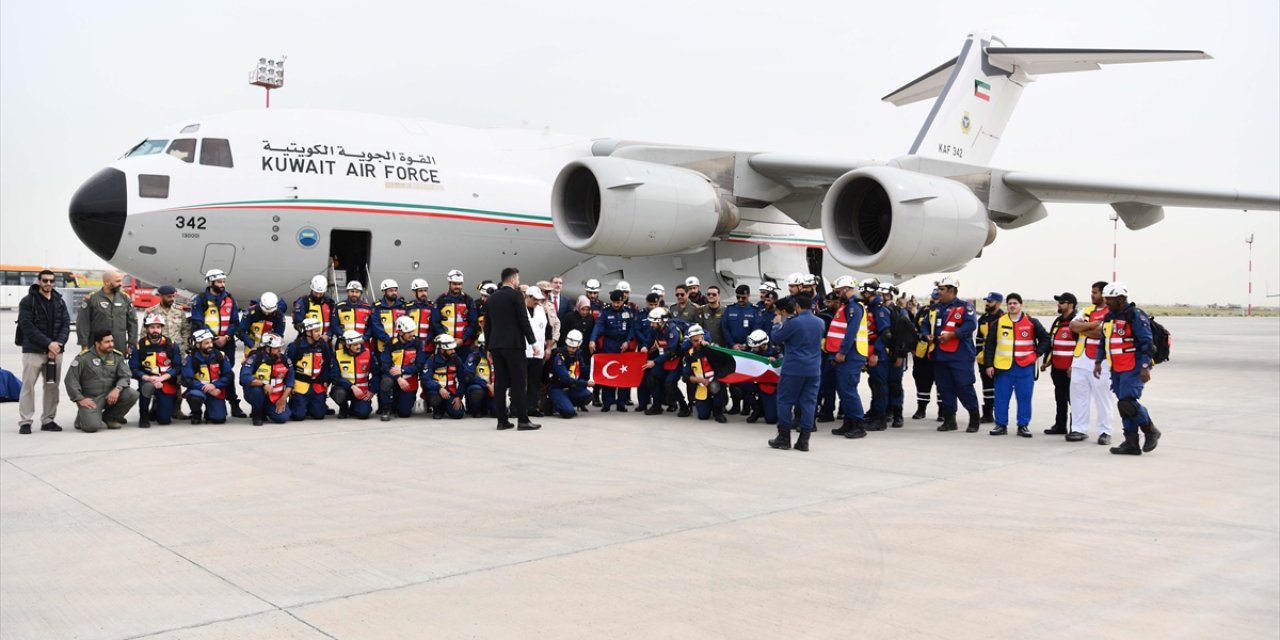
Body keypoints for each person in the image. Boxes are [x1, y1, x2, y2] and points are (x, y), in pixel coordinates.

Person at [1094, 283, 1160, 456]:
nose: (1106, 302)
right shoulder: (1109, 317)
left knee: (1127, 402)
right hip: (1116, 367)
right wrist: (1098, 361)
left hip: (1134, 366)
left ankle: (1150, 430)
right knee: (1124, 404)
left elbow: (1147, 343)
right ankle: (1131, 443)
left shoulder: (1135, 315)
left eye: (1109, 299)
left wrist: (1145, 367)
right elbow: (1104, 341)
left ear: (1121, 299)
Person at [982, 293, 1050, 437]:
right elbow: (990, 345)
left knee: (1024, 397)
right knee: (1001, 397)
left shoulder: (1031, 322)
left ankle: (1023, 425)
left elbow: (1046, 339)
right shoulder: (999, 322)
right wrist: (988, 365)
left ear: (1021, 305)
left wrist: (1036, 354)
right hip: (1003, 367)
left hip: (1024, 367)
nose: (1012, 306)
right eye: (1010, 303)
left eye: (1015, 303)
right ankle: (1001, 425)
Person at [484, 267, 540, 431]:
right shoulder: (516, 295)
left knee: (500, 383)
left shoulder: (492, 298)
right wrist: (533, 342)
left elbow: (487, 326)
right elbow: (524, 320)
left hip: (496, 345)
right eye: (518, 279)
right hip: (514, 345)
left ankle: (502, 420)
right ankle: (523, 420)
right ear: (513, 280)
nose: (518, 282)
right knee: (518, 382)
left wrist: (488, 347)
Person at [768, 294, 824, 452]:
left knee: (785, 401)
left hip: (794, 368)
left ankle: (784, 437)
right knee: (809, 402)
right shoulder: (820, 322)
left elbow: (776, 338)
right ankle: (804, 440)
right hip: (813, 369)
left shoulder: (794, 323)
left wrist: (777, 325)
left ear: (798, 306)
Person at [16, 269, 70, 434]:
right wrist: (49, 344)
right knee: (28, 386)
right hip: (33, 351)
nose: (48, 284)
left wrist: (58, 344)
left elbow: (66, 324)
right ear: (39, 281)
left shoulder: (59, 301)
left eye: (51, 281)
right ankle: (25, 421)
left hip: (56, 352)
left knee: (52, 387)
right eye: (45, 281)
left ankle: (48, 420)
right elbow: (27, 326)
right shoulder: (28, 301)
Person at [190, 269, 246, 418]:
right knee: (204, 373)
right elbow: (198, 321)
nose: (222, 285)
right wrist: (213, 339)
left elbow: (235, 321)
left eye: (223, 282)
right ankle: (198, 404)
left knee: (227, 373)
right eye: (219, 282)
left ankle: (234, 404)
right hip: (207, 343)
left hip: (227, 343)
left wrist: (226, 337)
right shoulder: (200, 300)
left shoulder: (229, 299)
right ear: (210, 282)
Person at [930, 276, 982, 433]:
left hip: (960, 356)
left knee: (964, 386)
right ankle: (949, 420)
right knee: (944, 388)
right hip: (940, 356)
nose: (939, 292)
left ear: (952, 290)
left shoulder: (965, 307)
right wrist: (927, 334)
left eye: (942, 289)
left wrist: (952, 335)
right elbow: (926, 324)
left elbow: (971, 325)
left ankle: (974, 418)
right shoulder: (936, 308)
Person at [65, 329, 138, 433]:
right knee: (92, 427)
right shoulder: (83, 358)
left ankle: (110, 417)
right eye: (107, 342)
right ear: (97, 343)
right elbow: (70, 380)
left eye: (112, 341)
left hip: (111, 395)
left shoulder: (116, 356)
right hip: (92, 398)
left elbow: (126, 375)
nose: (111, 344)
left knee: (132, 394)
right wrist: (80, 399)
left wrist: (117, 389)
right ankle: (82, 418)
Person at [1069, 281, 1115, 444]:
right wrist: (1093, 325)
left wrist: (1085, 329)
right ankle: (1079, 429)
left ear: (1104, 294)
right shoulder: (1087, 310)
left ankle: (1105, 431)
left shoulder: (1112, 312)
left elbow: (1102, 333)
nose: (1092, 295)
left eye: (1095, 292)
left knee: (1103, 397)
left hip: (1101, 362)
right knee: (1078, 396)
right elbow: (1073, 325)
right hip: (1080, 360)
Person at [826, 276, 871, 439]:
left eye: (839, 291)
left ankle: (858, 424)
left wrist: (842, 352)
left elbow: (851, 332)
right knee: (843, 390)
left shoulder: (854, 307)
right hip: (846, 354)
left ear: (846, 289)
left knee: (849, 390)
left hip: (851, 354)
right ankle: (849, 422)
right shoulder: (846, 306)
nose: (837, 295)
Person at [589, 290, 638, 412]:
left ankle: (621, 402)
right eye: (614, 302)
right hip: (610, 344)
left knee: (623, 374)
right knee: (609, 373)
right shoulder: (605, 312)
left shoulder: (628, 311)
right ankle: (607, 402)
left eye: (618, 302)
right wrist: (592, 340)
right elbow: (598, 326)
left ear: (623, 300)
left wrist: (627, 341)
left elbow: (632, 328)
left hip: (624, 345)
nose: (616, 304)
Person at [130, 313, 182, 428]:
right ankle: (143, 416)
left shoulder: (172, 345)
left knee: (164, 420)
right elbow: (133, 368)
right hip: (147, 380)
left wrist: (162, 378)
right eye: (152, 327)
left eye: (158, 327)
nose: (155, 330)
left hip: (166, 381)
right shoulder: (139, 346)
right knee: (147, 387)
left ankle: (156, 406)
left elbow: (178, 367)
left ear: (162, 328)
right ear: (147, 328)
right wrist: (149, 378)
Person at [1042, 292, 1079, 436]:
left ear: (1071, 305)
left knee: (1073, 400)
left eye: (1062, 302)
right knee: (1060, 398)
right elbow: (1052, 344)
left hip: (1071, 369)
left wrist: (1074, 366)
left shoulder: (1076, 322)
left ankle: (1075, 427)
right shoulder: (1057, 322)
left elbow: (1080, 346)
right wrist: (1046, 362)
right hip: (1057, 368)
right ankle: (1060, 425)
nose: (1059, 305)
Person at [77, 270, 137, 357]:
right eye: (117, 281)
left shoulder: (125, 298)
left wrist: (131, 344)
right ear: (107, 282)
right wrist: (84, 345)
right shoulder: (92, 298)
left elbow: (132, 322)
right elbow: (83, 323)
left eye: (121, 280)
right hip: (97, 348)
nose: (121, 284)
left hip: (119, 347)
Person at [721, 284, 761, 415]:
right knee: (733, 379)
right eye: (738, 297)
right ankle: (736, 405)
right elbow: (725, 328)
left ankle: (746, 406)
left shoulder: (754, 310)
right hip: (733, 350)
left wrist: (747, 344)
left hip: (747, 350)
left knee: (746, 380)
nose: (740, 300)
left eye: (743, 297)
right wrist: (733, 345)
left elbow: (756, 329)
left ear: (748, 296)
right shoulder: (730, 309)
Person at [859, 280, 892, 431]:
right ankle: (874, 414)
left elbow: (886, 333)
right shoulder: (870, 308)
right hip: (872, 352)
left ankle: (880, 419)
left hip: (879, 355)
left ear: (867, 292)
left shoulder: (879, 310)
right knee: (874, 384)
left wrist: (876, 354)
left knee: (880, 386)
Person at [240, 333, 294, 425]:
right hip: (257, 394)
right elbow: (244, 377)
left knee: (282, 418)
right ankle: (257, 415)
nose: (280, 350)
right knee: (257, 391)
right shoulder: (255, 358)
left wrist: (283, 399)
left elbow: (290, 381)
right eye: (277, 348)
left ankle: (266, 409)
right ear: (267, 348)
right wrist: (263, 384)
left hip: (276, 397)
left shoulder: (285, 360)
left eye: (280, 347)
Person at [642, 308, 688, 415]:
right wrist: (644, 347)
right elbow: (649, 339)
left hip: (675, 360)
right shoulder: (656, 329)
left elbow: (671, 352)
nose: (651, 325)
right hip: (663, 360)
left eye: (653, 322)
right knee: (651, 379)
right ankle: (657, 405)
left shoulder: (672, 331)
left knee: (669, 383)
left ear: (660, 321)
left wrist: (654, 362)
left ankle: (683, 405)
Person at [287, 317, 335, 421]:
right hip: (300, 385)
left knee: (319, 415)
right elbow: (289, 368)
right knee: (298, 416)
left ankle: (310, 405)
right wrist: (290, 386)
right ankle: (296, 403)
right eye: (316, 331)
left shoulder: (323, 345)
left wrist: (326, 380)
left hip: (317, 385)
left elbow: (327, 364)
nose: (319, 333)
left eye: (319, 330)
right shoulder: (295, 346)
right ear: (308, 332)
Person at [183, 329, 234, 424]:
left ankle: (210, 412)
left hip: (216, 390)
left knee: (219, 419)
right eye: (206, 343)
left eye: (211, 342)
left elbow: (228, 375)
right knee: (195, 397)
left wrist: (216, 385)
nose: (210, 345)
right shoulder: (190, 358)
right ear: (198, 345)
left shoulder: (220, 356)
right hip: (198, 390)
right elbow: (187, 379)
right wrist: (206, 388)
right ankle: (196, 413)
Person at [379, 315, 424, 421]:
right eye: (408, 332)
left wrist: (404, 370)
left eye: (412, 331)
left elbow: (420, 365)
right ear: (400, 332)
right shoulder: (390, 344)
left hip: (408, 382)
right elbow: (385, 365)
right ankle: (386, 408)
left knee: (404, 413)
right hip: (394, 379)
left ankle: (404, 403)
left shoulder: (418, 343)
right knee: (386, 382)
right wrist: (398, 378)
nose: (411, 334)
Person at [882, 282, 913, 428]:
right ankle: (885, 411)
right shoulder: (877, 310)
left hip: (895, 354)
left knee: (895, 385)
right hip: (882, 354)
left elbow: (905, 335)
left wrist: (900, 355)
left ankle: (897, 414)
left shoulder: (900, 312)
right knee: (881, 384)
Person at [682, 324, 727, 423]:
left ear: (703, 337)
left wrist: (710, 349)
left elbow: (724, 364)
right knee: (703, 416)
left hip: (715, 382)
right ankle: (706, 404)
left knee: (716, 387)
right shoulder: (689, 354)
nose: (698, 342)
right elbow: (685, 377)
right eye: (695, 341)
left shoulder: (713, 348)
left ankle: (718, 411)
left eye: (700, 339)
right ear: (690, 341)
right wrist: (701, 380)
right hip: (701, 384)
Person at [548, 329, 594, 418]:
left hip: (571, 388)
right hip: (558, 388)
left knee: (588, 396)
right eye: (569, 347)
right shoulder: (559, 357)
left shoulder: (578, 355)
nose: (571, 349)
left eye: (573, 348)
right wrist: (585, 383)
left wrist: (593, 363)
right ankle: (552, 403)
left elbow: (584, 371)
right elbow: (566, 378)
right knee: (568, 413)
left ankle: (565, 403)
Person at [435, 269, 479, 361]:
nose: (457, 286)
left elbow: (473, 323)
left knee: (463, 371)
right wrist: (446, 339)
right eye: (454, 284)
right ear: (449, 283)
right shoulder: (441, 300)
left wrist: (463, 339)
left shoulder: (468, 300)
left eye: (459, 284)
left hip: (464, 345)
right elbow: (435, 322)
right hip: (445, 346)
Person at [331, 330, 375, 420]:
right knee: (340, 394)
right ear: (347, 345)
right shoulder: (337, 355)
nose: (359, 346)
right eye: (355, 344)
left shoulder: (368, 354)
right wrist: (352, 386)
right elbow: (335, 377)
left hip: (362, 391)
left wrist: (372, 390)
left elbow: (377, 374)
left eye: (359, 343)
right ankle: (344, 407)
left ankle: (355, 407)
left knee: (363, 414)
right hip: (344, 389)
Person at [975, 292, 1005, 424]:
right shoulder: (983, 319)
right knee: (986, 386)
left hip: (1000, 359)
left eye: (990, 301)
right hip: (984, 359)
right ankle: (987, 413)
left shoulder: (1004, 318)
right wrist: (978, 354)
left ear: (998, 303)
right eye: (987, 301)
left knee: (999, 387)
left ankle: (999, 413)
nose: (987, 303)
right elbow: (979, 339)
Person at [910, 289, 940, 420]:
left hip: (939, 353)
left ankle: (943, 412)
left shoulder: (947, 312)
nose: (933, 300)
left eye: (937, 298)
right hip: (922, 354)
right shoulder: (923, 311)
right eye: (933, 298)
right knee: (922, 381)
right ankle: (921, 409)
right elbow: (914, 330)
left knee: (942, 383)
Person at [424, 334, 467, 419]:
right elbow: (426, 379)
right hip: (436, 392)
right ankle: (438, 409)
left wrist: (459, 397)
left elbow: (462, 380)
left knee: (458, 414)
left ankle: (446, 406)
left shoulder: (456, 360)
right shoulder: (432, 360)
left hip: (451, 394)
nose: (453, 351)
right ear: (442, 350)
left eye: (453, 349)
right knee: (435, 398)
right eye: (450, 349)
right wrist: (439, 388)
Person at [743, 329, 779, 425]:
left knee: (771, 419)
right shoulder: (752, 351)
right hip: (756, 383)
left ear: (763, 345)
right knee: (738, 386)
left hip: (770, 386)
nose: (753, 349)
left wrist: (774, 362)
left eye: (755, 347)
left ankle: (765, 407)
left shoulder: (777, 352)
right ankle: (757, 408)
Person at [524, 286, 550, 418]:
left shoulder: (542, 311)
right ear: (527, 297)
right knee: (521, 382)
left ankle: (532, 407)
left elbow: (548, 330)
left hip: (538, 352)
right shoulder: (520, 310)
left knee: (534, 382)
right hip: (523, 351)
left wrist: (548, 347)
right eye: (534, 299)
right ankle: (517, 407)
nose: (537, 302)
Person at [236, 292, 287, 359]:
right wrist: (252, 345)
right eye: (265, 311)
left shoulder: (279, 316)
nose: (267, 313)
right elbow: (240, 331)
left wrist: (270, 347)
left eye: (270, 312)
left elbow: (279, 335)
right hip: (251, 345)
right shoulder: (250, 312)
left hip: (269, 348)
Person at [145, 285, 191, 353]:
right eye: (169, 297)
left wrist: (184, 346)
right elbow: (145, 332)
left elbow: (185, 331)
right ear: (161, 296)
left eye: (173, 296)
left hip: (178, 350)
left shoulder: (179, 311)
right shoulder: (152, 312)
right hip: (159, 350)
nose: (172, 299)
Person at [463, 332, 496, 418]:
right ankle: (475, 410)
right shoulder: (474, 356)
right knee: (476, 390)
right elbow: (469, 375)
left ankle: (489, 407)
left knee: (497, 412)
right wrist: (486, 384)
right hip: (479, 386)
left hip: (493, 389)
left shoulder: (497, 356)